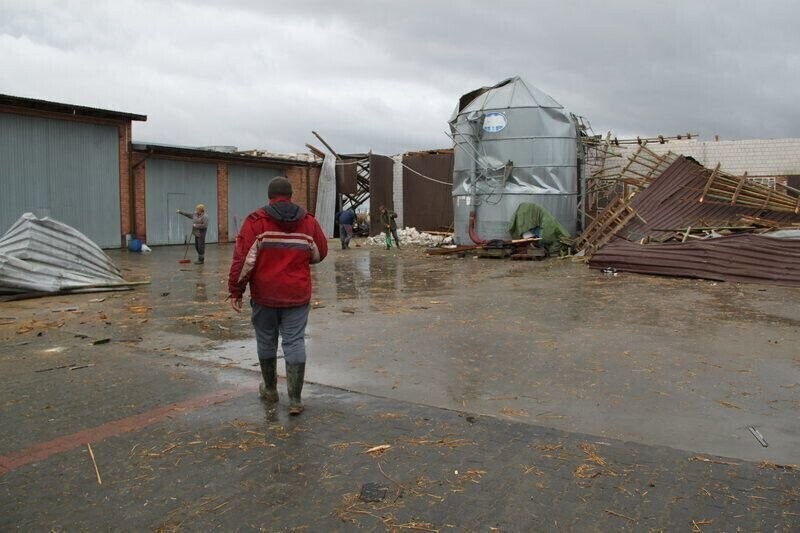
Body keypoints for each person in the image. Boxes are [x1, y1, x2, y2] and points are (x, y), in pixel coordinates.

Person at [227, 177, 328, 415]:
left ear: (269, 196)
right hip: (297, 294)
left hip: (265, 295)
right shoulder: (308, 221)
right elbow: (319, 252)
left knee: (266, 341)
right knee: (294, 341)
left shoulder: (256, 222)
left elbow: (243, 261)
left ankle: (271, 389)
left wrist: (236, 290)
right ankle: (295, 399)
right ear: (291, 195)